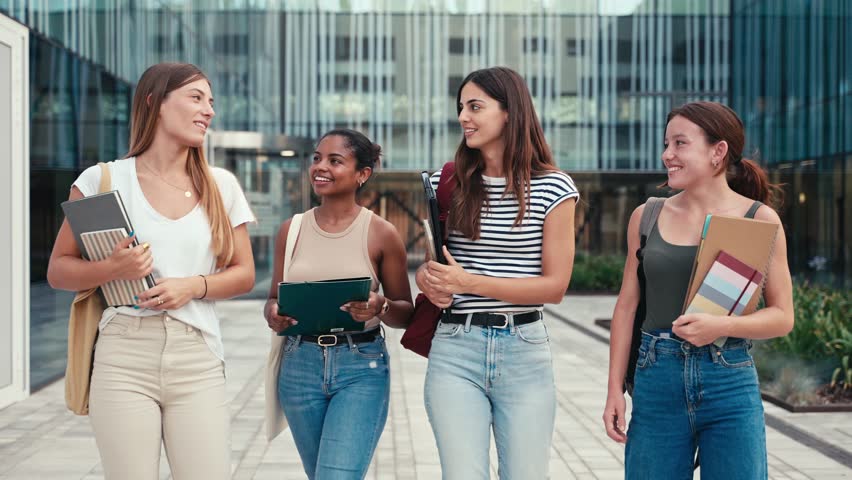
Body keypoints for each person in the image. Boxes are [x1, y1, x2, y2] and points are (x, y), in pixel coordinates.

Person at [47, 62, 256, 480]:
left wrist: (193, 286)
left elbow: (244, 273)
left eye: (211, 102)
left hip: (196, 355)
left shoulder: (221, 185)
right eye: (196, 98)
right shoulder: (103, 179)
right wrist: (111, 267)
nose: (209, 110)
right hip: (123, 353)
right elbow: (58, 270)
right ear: (155, 103)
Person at [602, 101, 794, 479]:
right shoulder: (648, 215)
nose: (666, 155)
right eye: (666, 144)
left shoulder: (758, 219)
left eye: (679, 144)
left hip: (729, 381)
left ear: (717, 151)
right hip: (657, 378)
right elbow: (626, 307)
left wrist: (720, 327)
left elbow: (782, 316)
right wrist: (613, 392)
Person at [416, 66, 579, 479]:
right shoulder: (444, 182)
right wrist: (429, 281)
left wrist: (467, 282)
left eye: (475, 106)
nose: (463, 117)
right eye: (460, 108)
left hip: (524, 349)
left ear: (509, 112)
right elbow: (433, 265)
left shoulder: (554, 188)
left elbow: (555, 287)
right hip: (455, 347)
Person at [264, 128, 414, 479]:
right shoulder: (292, 229)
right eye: (316, 158)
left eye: (335, 160)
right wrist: (273, 312)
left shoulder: (381, 233)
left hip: (360, 368)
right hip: (298, 365)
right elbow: (274, 296)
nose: (320, 167)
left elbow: (406, 311)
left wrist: (380, 307)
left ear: (362, 174)